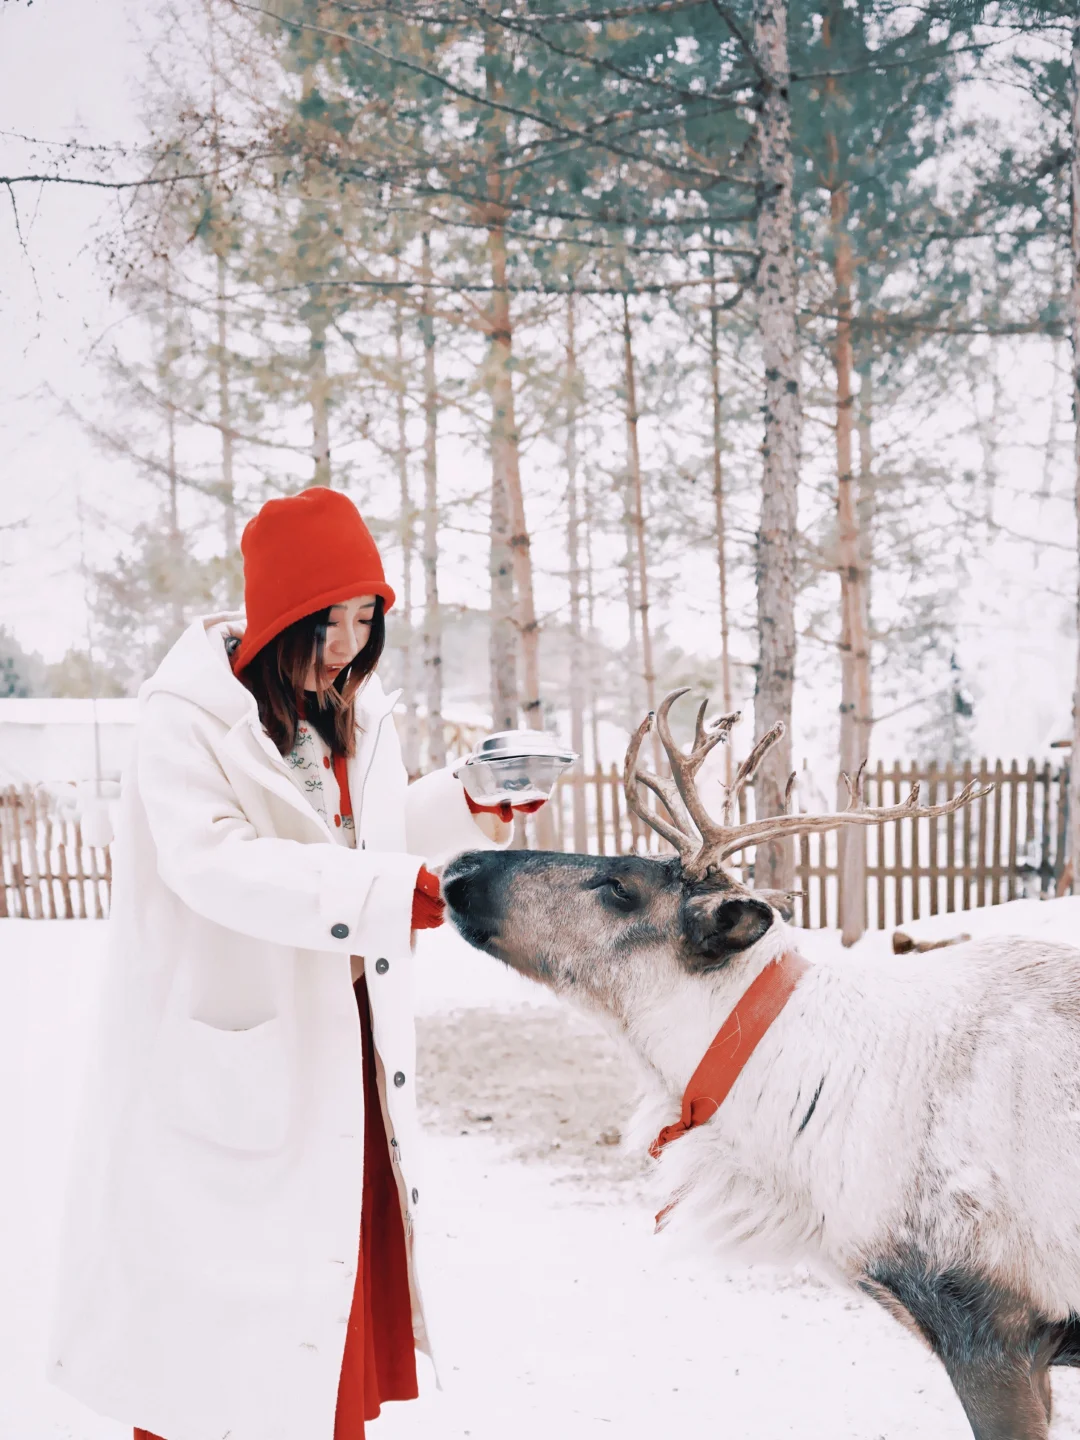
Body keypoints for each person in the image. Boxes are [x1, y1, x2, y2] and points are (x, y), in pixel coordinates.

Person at [48, 487, 544, 1440]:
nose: (349, 642)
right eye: (328, 620)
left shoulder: (341, 709)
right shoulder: (188, 720)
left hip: (339, 1045)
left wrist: (473, 797)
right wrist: (381, 898)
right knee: (215, 1344)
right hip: (230, 1053)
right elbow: (217, 863)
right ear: (280, 614)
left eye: (366, 618)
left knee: (320, 1318)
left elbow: (373, 829)